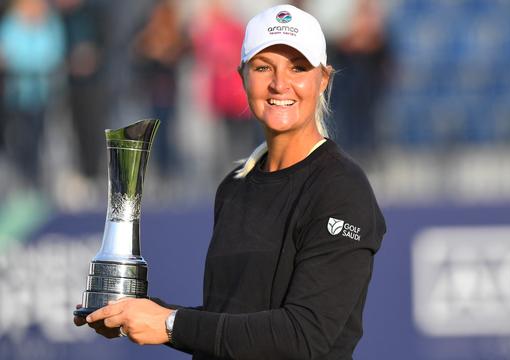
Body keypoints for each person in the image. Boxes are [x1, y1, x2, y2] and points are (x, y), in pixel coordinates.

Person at [74, 4, 386, 359]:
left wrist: (170, 324)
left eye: (298, 68)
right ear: (241, 75)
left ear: (323, 79)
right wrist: (142, 312)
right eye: (263, 67)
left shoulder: (341, 189)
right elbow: (230, 322)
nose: (280, 83)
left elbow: (304, 337)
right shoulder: (235, 186)